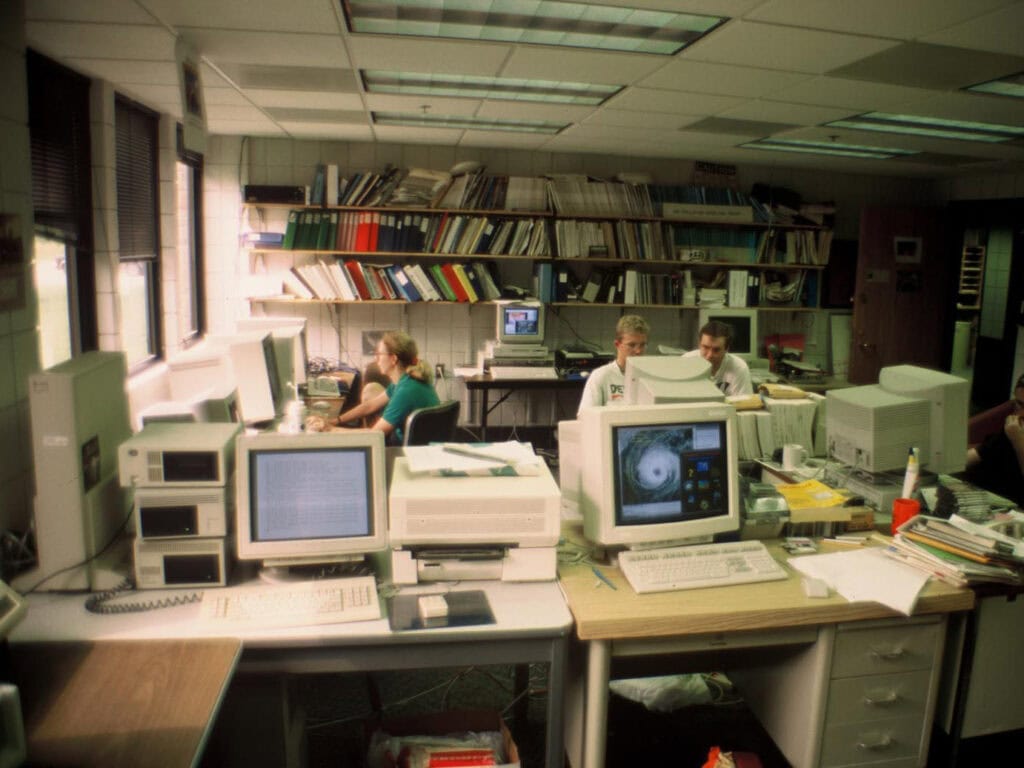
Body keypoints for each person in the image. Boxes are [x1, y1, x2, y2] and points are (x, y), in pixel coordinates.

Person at [309, 330, 439, 444]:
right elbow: (370, 406)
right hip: (418, 443)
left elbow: (374, 435)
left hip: (407, 451)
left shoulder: (406, 391)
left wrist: (330, 430)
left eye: (379, 354)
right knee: (371, 391)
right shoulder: (404, 381)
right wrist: (335, 421)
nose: (376, 360)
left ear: (393, 359)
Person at [964, 374, 1024, 506]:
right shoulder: (1013, 427)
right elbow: (978, 454)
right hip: (983, 498)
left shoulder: (1015, 432)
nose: (1021, 413)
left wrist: (1018, 441)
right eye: (1019, 404)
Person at [577, 314, 650, 415]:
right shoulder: (601, 376)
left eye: (642, 345)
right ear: (617, 345)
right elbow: (584, 417)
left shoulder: (649, 376)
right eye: (632, 345)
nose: (638, 351)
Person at [682, 320, 753, 397]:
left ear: (726, 349)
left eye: (716, 350)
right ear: (699, 344)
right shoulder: (686, 362)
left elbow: (744, 403)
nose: (709, 355)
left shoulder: (739, 367)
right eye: (705, 347)